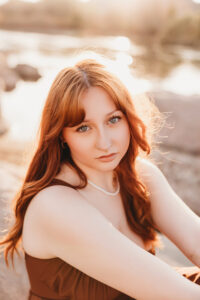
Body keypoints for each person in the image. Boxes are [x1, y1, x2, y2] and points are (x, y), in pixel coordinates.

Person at [0, 55, 200, 300]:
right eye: (83, 128)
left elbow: (195, 241)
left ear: (128, 119)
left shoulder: (140, 177)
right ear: (62, 134)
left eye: (113, 120)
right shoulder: (54, 205)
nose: (104, 143)